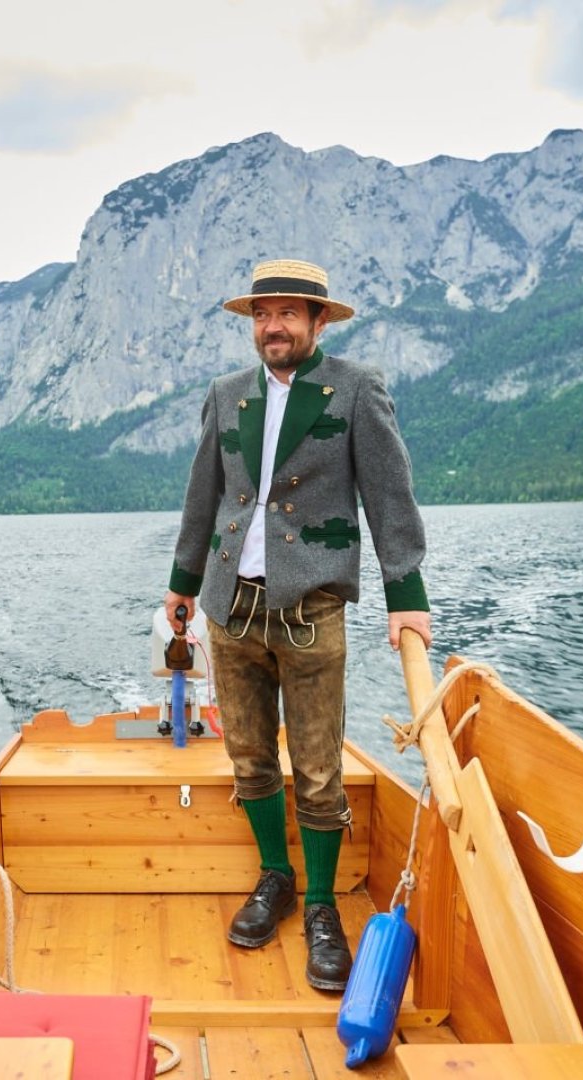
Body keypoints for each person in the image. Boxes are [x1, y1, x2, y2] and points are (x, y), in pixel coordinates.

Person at [164, 258, 432, 992]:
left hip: (313, 608)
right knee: (249, 760)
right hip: (229, 608)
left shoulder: (355, 388)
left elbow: (389, 494)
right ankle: (276, 878)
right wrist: (183, 585)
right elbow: (202, 497)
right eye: (261, 313)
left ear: (319, 322)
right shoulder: (224, 396)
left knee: (318, 770)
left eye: (286, 312)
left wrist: (406, 591)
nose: (271, 325)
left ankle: (320, 907)